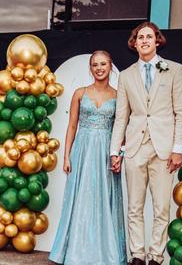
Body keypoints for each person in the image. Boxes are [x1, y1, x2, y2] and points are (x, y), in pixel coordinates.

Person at [110, 22, 182, 265]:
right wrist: (115, 151)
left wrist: (178, 149)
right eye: (139, 38)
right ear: (134, 44)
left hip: (164, 149)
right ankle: (137, 255)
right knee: (134, 206)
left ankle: (155, 256)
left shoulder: (174, 70)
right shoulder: (125, 75)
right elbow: (121, 116)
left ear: (157, 41)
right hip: (134, 148)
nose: (144, 41)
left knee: (161, 207)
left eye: (148, 37)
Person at [48, 50, 126, 265]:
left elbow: (123, 130)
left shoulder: (120, 96)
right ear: (90, 68)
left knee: (104, 198)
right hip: (82, 150)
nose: (99, 68)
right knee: (80, 198)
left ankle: (105, 253)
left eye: (103, 64)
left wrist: (119, 154)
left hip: (106, 152)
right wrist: (66, 156)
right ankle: (74, 252)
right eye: (95, 65)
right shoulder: (79, 93)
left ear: (111, 66)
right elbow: (72, 126)